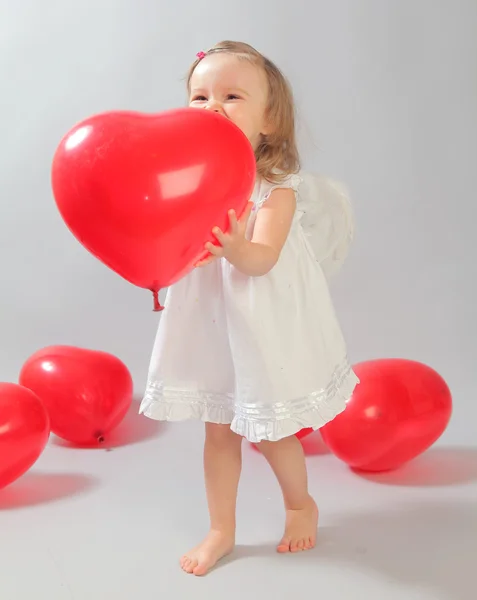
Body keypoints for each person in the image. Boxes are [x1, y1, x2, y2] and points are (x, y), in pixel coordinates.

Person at [140, 40, 359, 576]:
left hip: (259, 314)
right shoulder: (191, 178)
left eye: (231, 95)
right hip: (212, 318)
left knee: (271, 428)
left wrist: (235, 249)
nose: (212, 106)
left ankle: (298, 504)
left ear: (269, 121)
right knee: (218, 427)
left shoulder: (274, 188)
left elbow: (260, 259)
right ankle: (221, 528)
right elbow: (176, 239)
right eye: (200, 96)